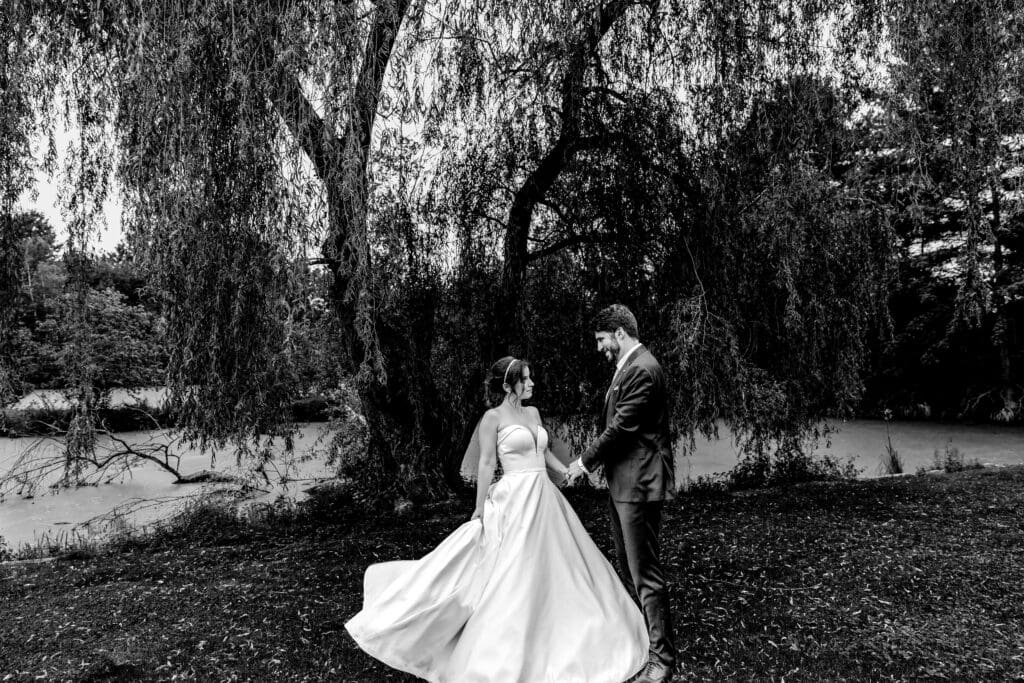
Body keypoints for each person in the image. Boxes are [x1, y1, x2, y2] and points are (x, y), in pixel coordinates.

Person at [345, 356, 649, 682]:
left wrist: (569, 470)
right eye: (525, 379)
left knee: (562, 565)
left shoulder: (532, 413)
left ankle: (569, 630)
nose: (532, 384)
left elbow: (541, 452)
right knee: (516, 568)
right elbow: (487, 463)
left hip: (544, 497)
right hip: (515, 500)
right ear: (507, 385)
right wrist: (478, 508)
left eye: (531, 378)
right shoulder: (492, 418)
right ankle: (506, 645)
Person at [567, 304, 677, 683]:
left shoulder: (643, 369)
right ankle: (645, 640)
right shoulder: (628, 369)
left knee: (644, 572)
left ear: (619, 333)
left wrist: (583, 463)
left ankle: (661, 660)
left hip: (640, 485)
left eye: (601, 340)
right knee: (629, 567)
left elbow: (620, 429)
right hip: (624, 484)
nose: (599, 348)